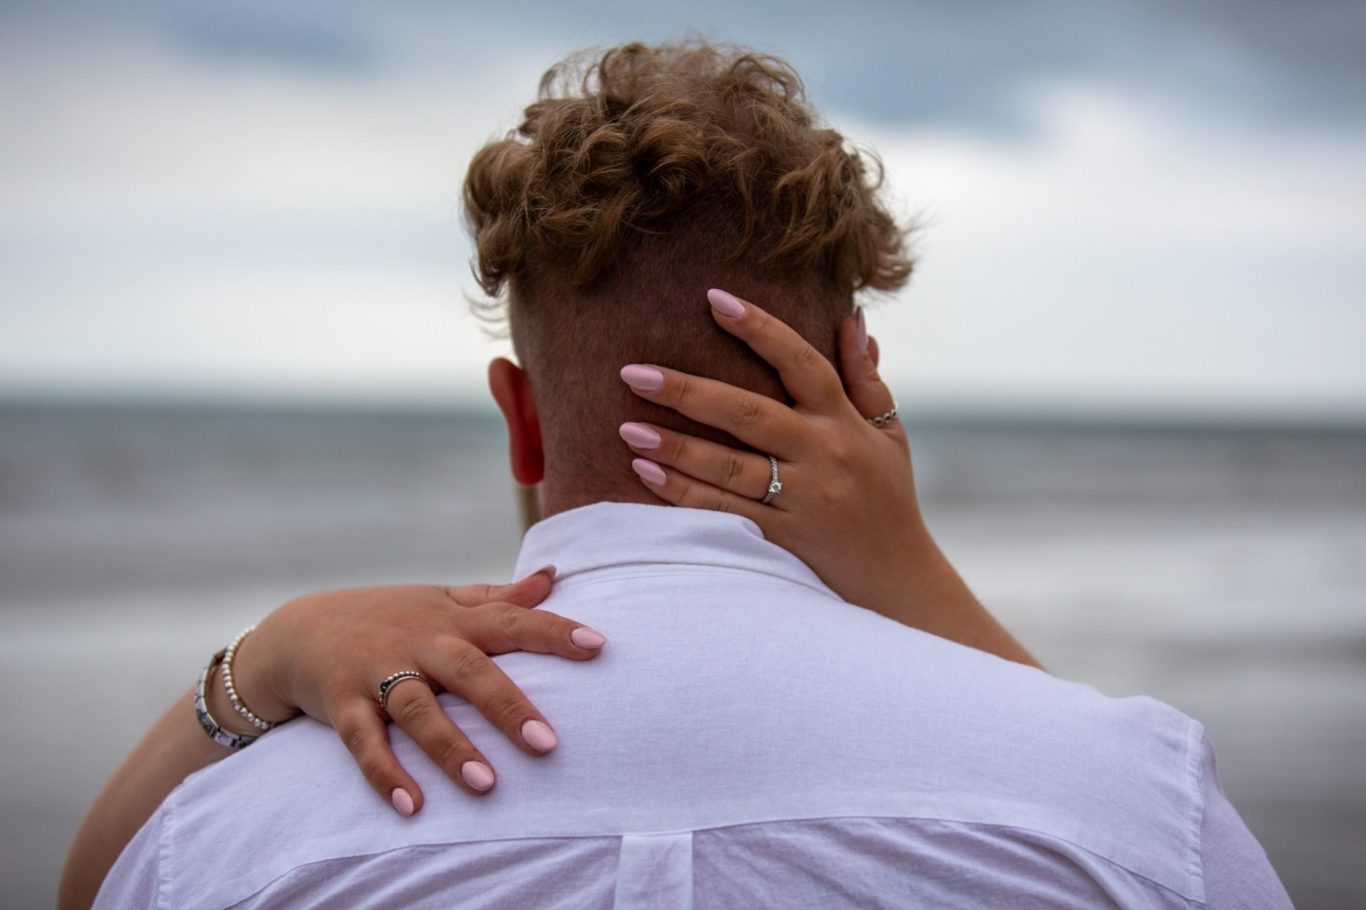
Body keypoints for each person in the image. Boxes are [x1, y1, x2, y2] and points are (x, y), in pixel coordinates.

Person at [73, 40, 1290, 908]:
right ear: (856, 381)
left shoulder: (226, 836)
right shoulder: (1123, 800)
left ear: (520, 419)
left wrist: (258, 661)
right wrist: (915, 575)